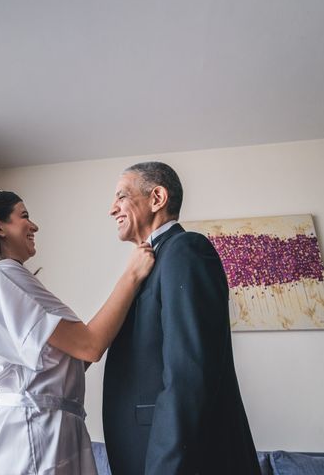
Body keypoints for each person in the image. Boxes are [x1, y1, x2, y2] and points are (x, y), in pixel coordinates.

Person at [0, 189, 154, 475]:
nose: (34, 226)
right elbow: (89, 346)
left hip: (42, 427)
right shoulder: (3, 274)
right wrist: (131, 276)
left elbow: (73, 358)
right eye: (24, 216)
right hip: (35, 431)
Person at [102, 162, 261, 474]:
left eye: (121, 196)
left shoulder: (185, 250)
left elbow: (188, 375)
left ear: (157, 197)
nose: (112, 209)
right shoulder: (151, 263)